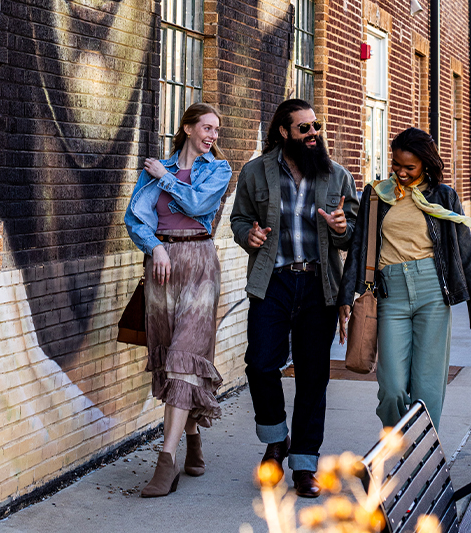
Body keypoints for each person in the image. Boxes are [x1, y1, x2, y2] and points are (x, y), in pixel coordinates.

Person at [230, 99, 359, 498]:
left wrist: (341, 227)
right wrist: (246, 235)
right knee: (260, 365)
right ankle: (276, 439)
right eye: (303, 128)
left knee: (313, 375)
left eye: (315, 126)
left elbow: (352, 230)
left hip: (319, 285)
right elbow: (239, 218)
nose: (313, 134)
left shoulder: (336, 175)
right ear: (284, 132)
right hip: (273, 281)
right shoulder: (255, 172)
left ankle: (304, 464)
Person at [338, 127, 471, 431]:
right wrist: (346, 297)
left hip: (432, 292)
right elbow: (359, 248)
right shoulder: (376, 195)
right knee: (392, 387)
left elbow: (466, 254)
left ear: (425, 164)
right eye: (397, 165)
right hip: (389, 293)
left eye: (410, 167)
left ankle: (421, 457)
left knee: (428, 387)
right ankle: (398, 446)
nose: (402, 173)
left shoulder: (444, 197)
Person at [124, 103, 232, 498]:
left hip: (200, 264)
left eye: (216, 131)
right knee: (171, 357)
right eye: (206, 128)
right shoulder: (155, 168)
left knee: (185, 355)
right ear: (187, 128)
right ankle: (191, 437)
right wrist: (156, 248)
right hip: (162, 265)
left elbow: (199, 205)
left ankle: (165, 463)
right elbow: (134, 218)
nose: (212, 136)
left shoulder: (217, 170)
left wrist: (166, 178)